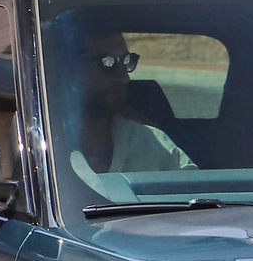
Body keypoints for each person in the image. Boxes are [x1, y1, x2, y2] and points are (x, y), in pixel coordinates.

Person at [45, 11, 195, 197]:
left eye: (126, 61)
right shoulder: (42, 145)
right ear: (71, 70)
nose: (124, 77)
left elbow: (196, 201)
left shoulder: (151, 142)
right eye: (107, 63)